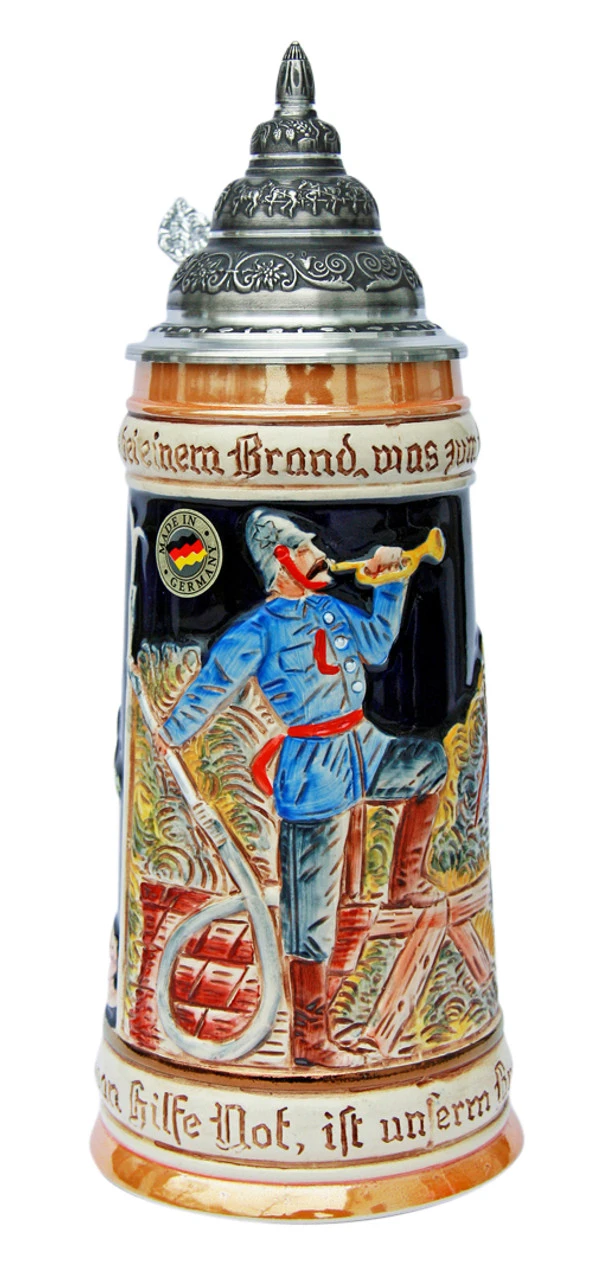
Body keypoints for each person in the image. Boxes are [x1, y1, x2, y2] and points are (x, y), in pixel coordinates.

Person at [154, 509, 447, 1068]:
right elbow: (212, 684)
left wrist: (392, 583)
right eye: (308, 550)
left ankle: (405, 883)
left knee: (429, 764)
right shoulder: (257, 631)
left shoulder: (329, 608)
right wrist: (169, 735)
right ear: (282, 561)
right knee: (309, 915)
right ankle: (310, 1040)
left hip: (363, 745)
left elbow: (377, 646)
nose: (321, 556)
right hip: (313, 770)